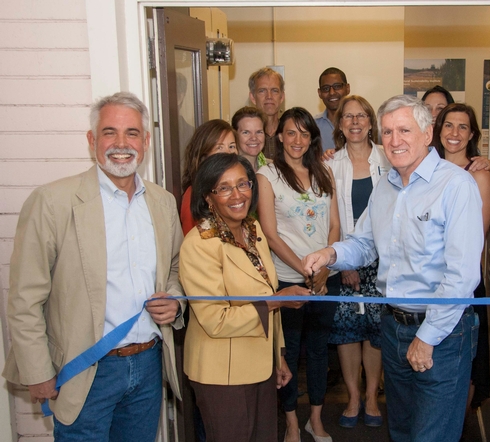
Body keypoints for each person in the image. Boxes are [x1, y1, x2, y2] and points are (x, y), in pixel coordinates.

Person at [2, 92, 185, 440]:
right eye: (109, 132)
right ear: (91, 140)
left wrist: (174, 301)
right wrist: (37, 370)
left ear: (145, 141)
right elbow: (24, 298)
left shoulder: (163, 203)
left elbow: (174, 271)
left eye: (131, 133)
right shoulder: (52, 202)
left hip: (148, 366)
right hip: (85, 371)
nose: (121, 144)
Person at [303, 94, 484, 442]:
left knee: (432, 436)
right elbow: (365, 244)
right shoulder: (384, 187)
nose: (394, 140)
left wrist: (427, 338)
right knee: (400, 431)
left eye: (404, 130)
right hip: (393, 327)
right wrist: (329, 254)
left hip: (441, 334)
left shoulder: (456, 186)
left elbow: (462, 277)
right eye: (387, 132)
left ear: (427, 134)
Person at [179, 153, 310, 442]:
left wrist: (278, 357)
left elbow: (265, 292)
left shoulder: (253, 230)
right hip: (221, 376)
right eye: (224, 188)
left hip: (261, 367)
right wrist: (278, 301)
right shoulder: (200, 245)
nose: (237, 195)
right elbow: (217, 320)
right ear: (208, 198)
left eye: (243, 184)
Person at [257, 108, 341, 442]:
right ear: (279, 136)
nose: (298, 140)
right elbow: (270, 233)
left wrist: (323, 268)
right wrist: (304, 271)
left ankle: (315, 420)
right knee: (288, 353)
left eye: (305, 134)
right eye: (291, 133)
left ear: (312, 138)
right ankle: (291, 421)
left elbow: (335, 225)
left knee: (320, 352)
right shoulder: (268, 174)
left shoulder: (325, 172)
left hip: (324, 278)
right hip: (287, 279)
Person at [326, 95, 390, 428]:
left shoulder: (389, 158)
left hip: (384, 262)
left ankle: (371, 398)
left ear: (370, 122)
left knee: (376, 331)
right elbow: (329, 218)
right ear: (339, 124)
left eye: (361, 116)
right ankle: (352, 397)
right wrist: (343, 262)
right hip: (346, 259)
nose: (354, 122)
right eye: (348, 117)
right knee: (348, 330)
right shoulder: (330, 164)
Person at [432, 103, 490, 410]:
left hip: (461, 282)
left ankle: (457, 426)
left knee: (462, 362)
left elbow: (475, 238)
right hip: (425, 282)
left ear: (472, 134)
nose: (454, 133)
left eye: (462, 127)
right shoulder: (427, 168)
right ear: (438, 129)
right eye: (448, 125)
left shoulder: (479, 175)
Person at [421, 85, 490, 175]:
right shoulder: (416, 146)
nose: (433, 114)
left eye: (440, 108)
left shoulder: (462, 151)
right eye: (428, 109)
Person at [180, 119, 237, 235]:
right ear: (204, 155)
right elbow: (192, 245)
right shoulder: (193, 195)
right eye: (219, 148)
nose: (228, 153)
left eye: (232, 146)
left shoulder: (237, 190)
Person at [249, 67, 285, 160]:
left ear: (282, 97)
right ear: (253, 97)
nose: (269, 96)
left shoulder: (291, 134)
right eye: (262, 91)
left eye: (274, 90)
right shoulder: (244, 137)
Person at [315, 67, 350, 152]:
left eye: (337, 86)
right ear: (320, 93)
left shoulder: (361, 123)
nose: (332, 92)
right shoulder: (312, 126)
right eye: (326, 88)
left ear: (347, 88)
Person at [232, 106, 271, 172]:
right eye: (246, 132)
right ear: (234, 135)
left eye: (259, 132)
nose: (254, 138)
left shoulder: (272, 168)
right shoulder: (228, 170)